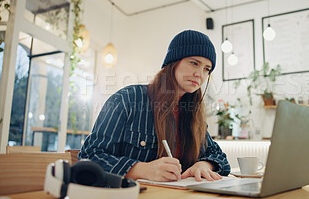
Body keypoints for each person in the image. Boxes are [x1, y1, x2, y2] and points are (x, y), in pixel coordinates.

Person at [79, 30, 230, 182]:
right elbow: (89, 156)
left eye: (206, 69)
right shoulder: (127, 99)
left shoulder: (193, 114)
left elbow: (219, 157)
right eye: (194, 63)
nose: (200, 74)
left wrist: (205, 165)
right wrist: (141, 169)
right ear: (173, 62)